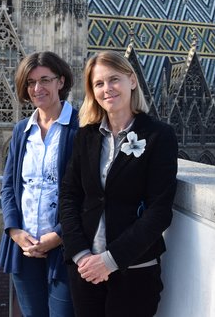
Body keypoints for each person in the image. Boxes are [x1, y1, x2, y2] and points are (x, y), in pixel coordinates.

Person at [59, 50, 178, 317]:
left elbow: (159, 211)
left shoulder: (159, 135)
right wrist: (80, 255)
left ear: (132, 81)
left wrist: (110, 261)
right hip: (85, 270)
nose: (107, 89)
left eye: (114, 79)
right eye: (98, 83)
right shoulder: (86, 135)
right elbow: (69, 195)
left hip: (134, 270)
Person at [0, 51, 78, 317]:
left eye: (45, 80)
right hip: (25, 245)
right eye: (31, 82)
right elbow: (9, 186)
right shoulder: (22, 130)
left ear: (61, 82)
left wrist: (58, 235)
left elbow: (89, 193)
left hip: (65, 246)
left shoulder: (82, 128)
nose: (37, 88)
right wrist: (13, 230)